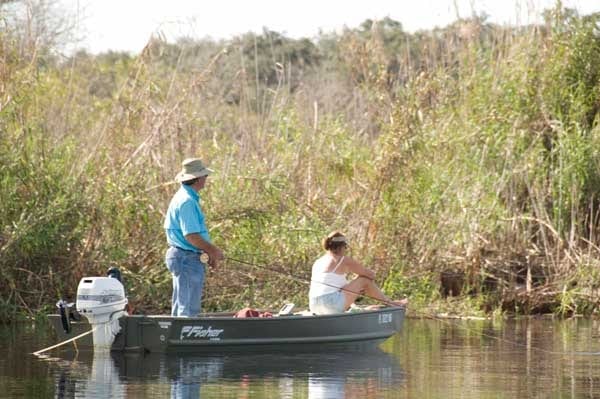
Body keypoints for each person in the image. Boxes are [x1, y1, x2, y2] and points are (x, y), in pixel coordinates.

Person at [164, 158, 224, 317]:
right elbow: (191, 235)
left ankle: (178, 340)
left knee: (182, 306)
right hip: (186, 258)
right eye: (205, 175)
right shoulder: (187, 202)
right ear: (197, 179)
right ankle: (185, 340)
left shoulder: (184, 197)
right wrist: (213, 250)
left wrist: (207, 253)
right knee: (188, 310)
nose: (206, 178)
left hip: (185, 256)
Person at [308, 231, 407, 315]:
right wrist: (361, 279)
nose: (345, 250)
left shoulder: (318, 262)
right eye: (345, 247)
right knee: (364, 280)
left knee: (349, 286)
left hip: (314, 305)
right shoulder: (343, 260)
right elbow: (370, 275)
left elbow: (335, 288)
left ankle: (357, 309)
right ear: (342, 247)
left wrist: (355, 285)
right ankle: (391, 303)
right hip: (331, 303)